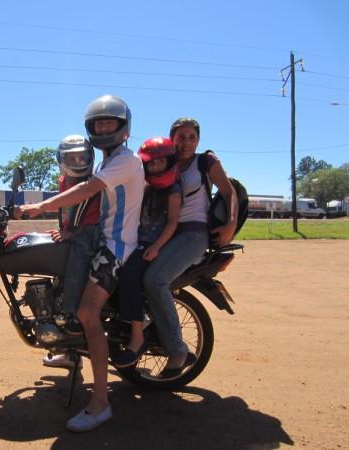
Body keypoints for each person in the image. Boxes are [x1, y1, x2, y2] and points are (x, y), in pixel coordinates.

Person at [18, 94, 144, 432]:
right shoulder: (106, 162)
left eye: (110, 122)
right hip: (98, 239)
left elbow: (86, 190)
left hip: (117, 246)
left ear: (124, 128)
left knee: (87, 313)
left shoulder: (125, 162)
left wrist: (38, 207)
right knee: (62, 281)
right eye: (98, 123)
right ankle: (70, 350)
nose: (104, 127)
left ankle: (101, 403)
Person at [140, 117, 237, 377]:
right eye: (181, 137)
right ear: (171, 138)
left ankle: (177, 351)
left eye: (191, 137)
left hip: (194, 234)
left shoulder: (205, 162)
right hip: (166, 233)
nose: (186, 142)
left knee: (155, 280)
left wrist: (230, 224)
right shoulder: (164, 162)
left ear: (198, 140)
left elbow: (229, 193)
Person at [112, 137, 181, 368]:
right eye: (151, 163)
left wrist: (156, 247)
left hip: (149, 244)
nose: (155, 167)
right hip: (133, 239)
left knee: (129, 275)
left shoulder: (173, 190)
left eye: (160, 162)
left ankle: (137, 336)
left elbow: (172, 223)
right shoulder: (144, 185)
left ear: (169, 161)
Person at [42, 134, 100, 370]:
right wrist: (64, 230)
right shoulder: (63, 180)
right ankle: (69, 352)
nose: (77, 162)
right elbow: (67, 212)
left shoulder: (91, 180)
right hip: (76, 230)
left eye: (81, 157)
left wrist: (70, 233)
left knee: (75, 267)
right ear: (61, 159)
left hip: (91, 232)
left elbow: (81, 207)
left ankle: (71, 318)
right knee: (60, 274)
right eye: (71, 158)